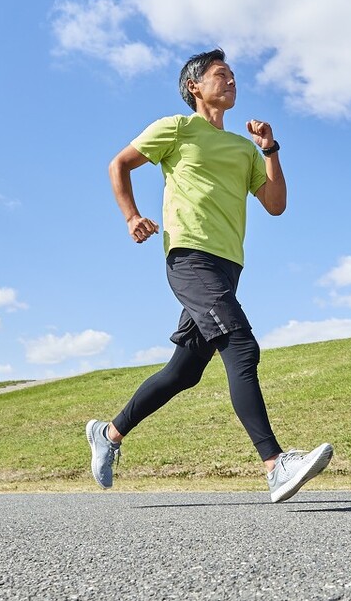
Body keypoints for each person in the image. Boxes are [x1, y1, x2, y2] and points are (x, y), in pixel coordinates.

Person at [86, 48, 333, 503]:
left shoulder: (243, 148)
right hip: (189, 257)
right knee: (240, 345)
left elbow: (275, 205)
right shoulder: (177, 129)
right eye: (222, 74)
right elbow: (118, 164)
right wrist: (130, 216)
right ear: (194, 87)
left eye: (234, 75)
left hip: (228, 264)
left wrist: (270, 150)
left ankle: (109, 433)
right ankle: (276, 464)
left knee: (184, 372)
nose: (232, 81)